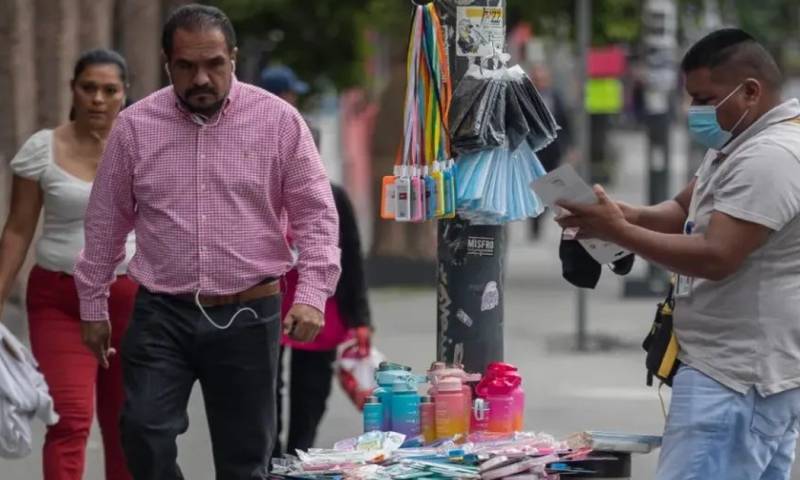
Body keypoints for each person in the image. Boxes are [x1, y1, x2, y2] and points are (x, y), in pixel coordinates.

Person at [73, 5, 340, 480]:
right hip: (162, 313)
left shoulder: (279, 122)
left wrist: (313, 295)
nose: (202, 78)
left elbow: (316, 216)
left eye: (214, 63)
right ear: (166, 64)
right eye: (186, 66)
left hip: (249, 312)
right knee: (142, 429)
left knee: (245, 461)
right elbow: (105, 222)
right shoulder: (135, 127)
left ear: (233, 58)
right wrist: (92, 305)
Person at [557, 29, 800, 479]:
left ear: (750, 91)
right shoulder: (738, 140)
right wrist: (617, 214)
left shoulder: (773, 156)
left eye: (705, 99)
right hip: (733, 373)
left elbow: (716, 256)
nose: (695, 112)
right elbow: (683, 211)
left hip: (736, 381)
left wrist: (620, 233)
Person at [0, 49, 136, 480]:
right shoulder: (43, 149)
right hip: (60, 299)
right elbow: (18, 230)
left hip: (130, 301)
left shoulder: (146, 147)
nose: (98, 98)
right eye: (89, 88)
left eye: (109, 90)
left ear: (124, 95)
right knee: (70, 419)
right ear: (73, 91)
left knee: (127, 425)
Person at [259, 66, 373, 457]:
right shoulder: (260, 184)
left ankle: (299, 451)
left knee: (312, 384)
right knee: (265, 381)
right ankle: (270, 453)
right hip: (268, 295)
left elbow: (352, 257)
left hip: (319, 297)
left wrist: (360, 318)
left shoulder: (333, 195)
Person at [528, 63, 573, 239]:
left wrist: (571, 147)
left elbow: (566, 123)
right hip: (533, 152)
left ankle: (541, 214)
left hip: (553, 152)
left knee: (550, 189)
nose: (540, 82)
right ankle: (535, 221)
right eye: (537, 79)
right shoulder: (527, 99)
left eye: (543, 79)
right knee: (535, 188)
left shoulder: (556, 97)